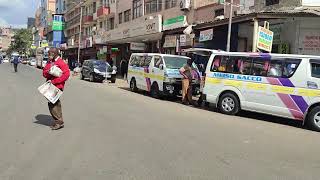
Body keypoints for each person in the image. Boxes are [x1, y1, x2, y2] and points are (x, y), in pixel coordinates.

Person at [43, 48, 70, 130]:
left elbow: (66, 75)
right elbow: (44, 73)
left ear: (55, 53)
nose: (48, 55)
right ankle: (58, 121)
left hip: (57, 86)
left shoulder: (61, 63)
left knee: (53, 103)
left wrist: (54, 81)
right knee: (53, 103)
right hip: (50, 86)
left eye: (50, 53)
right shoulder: (49, 62)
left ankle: (59, 122)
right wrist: (48, 72)